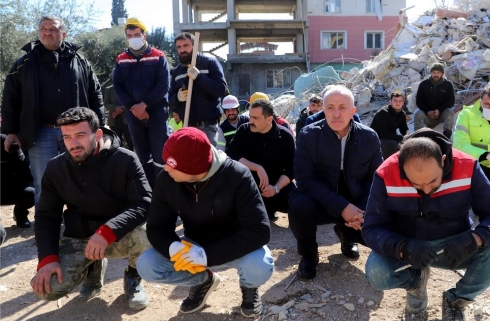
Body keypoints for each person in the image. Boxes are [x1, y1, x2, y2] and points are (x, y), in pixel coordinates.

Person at [363, 129, 490, 319]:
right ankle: (415, 282)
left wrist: (476, 239)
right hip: (408, 247)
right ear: (402, 167)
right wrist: (401, 248)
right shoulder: (386, 172)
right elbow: (372, 228)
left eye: (433, 181)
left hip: (454, 247)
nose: (426, 190)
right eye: (416, 184)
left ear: (442, 161)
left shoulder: (467, 166)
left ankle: (456, 299)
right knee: (377, 273)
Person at [137, 128, 273, 316]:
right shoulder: (167, 180)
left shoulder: (237, 175)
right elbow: (156, 227)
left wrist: (206, 256)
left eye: (171, 164)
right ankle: (203, 280)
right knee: (147, 265)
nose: (165, 168)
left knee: (259, 265)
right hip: (193, 246)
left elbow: (260, 231)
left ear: (192, 169)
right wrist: (174, 248)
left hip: (236, 247)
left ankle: (249, 289)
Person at [31, 107, 151, 310]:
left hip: (117, 236)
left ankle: (133, 277)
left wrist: (108, 231)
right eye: (67, 137)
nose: (73, 143)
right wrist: (47, 258)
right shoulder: (55, 168)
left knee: (148, 234)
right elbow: (46, 216)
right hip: (80, 239)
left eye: (80, 135)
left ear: (97, 134)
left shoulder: (126, 159)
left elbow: (145, 202)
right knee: (48, 289)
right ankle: (93, 270)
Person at [1, 15, 104, 207]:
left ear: (63, 34)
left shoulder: (81, 62)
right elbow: (10, 99)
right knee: (43, 182)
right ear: (39, 32)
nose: (48, 33)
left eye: (54, 29)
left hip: (76, 133)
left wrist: (100, 127)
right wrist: (11, 132)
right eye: (44, 29)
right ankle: (46, 230)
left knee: (79, 180)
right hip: (40, 134)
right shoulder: (23, 64)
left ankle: (77, 228)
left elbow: (95, 94)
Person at [289, 85, 383, 280]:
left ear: (353, 111)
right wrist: (342, 207)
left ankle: (347, 234)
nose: (336, 114)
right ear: (323, 110)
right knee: (299, 205)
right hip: (320, 201)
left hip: (355, 202)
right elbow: (305, 179)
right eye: (330, 107)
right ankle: (309, 254)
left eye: (342, 107)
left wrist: (361, 211)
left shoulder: (369, 137)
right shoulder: (308, 135)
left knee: (380, 238)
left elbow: (374, 180)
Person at [113, 17, 170, 187]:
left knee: (160, 152)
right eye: (130, 35)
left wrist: (144, 104)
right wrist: (133, 107)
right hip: (133, 114)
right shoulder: (121, 59)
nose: (133, 38)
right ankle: (146, 193)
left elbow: (163, 85)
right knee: (141, 154)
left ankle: (163, 191)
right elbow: (118, 87)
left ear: (144, 36)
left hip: (157, 112)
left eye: (137, 34)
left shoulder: (158, 56)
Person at [226, 99, 296, 221]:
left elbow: (291, 169)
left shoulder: (285, 136)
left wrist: (276, 188)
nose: (250, 121)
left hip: (277, 188)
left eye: (255, 118)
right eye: (250, 117)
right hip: (250, 188)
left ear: (269, 119)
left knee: (300, 205)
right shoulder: (244, 131)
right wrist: (257, 167)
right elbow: (231, 155)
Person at [169, 32, 228, 148]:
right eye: (179, 47)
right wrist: (177, 97)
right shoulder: (176, 72)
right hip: (186, 126)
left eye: (186, 45)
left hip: (208, 126)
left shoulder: (210, 63)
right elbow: (169, 99)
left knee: (207, 162)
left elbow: (221, 89)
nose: (182, 50)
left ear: (194, 45)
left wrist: (199, 77)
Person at [1, 133, 35, 228]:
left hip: (10, 185)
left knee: (30, 192)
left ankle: (20, 214)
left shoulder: (6, 142)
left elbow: (24, 171)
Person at [414, 63, 455, 137]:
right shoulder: (423, 84)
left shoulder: (448, 85)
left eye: (438, 72)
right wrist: (427, 111)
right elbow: (419, 102)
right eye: (434, 72)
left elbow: (451, 101)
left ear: (442, 73)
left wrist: (439, 110)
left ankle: (447, 137)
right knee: (418, 113)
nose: (436, 74)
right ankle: (417, 138)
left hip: (441, 115)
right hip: (427, 115)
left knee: (449, 111)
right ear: (431, 73)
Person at [370, 91, 409, 159]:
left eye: (400, 101)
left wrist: (409, 136)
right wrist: (401, 138)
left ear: (403, 103)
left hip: (390, 138)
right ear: (390, 101)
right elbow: (384, 134)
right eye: (395, 100)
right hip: (376, 139)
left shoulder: (402, 114)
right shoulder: (383, 113)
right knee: (393, 145)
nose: (397, 103)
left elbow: (404, 130)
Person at [103, 82, 133, 151]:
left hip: (127, 120)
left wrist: (122, 109)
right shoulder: (109, 89)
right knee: (116, 142)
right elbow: (106, 103)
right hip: (114, 120)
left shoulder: (128, 88)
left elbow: (132, 101)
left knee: (131, 141)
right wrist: (115, 108)